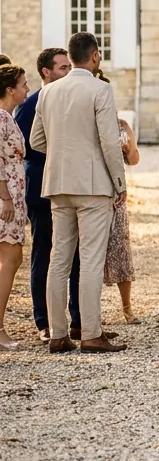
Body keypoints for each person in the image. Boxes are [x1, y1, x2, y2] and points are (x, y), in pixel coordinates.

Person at [31, 32, 128, 353]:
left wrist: (62, 154)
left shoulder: (49, 91)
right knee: (89, 259)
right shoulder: (101, 89)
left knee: (58, 258)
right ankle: (91, 333)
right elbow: (109, 141)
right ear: (95, 56)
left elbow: (36, 141)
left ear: (70, 57)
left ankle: (58, 334)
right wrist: (119, 182)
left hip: (58, 183)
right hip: (93, 185)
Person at [16, 48, 79, 342]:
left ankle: (78, 319)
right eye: (63, 67)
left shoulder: (70, 98)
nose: (68, 71)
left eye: (69, 66)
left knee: (78, 256)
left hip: (73, 185)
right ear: (46, 72)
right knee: (45, 254)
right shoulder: (30, 106)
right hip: (43, 187)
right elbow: (29, 148)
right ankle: (44, 321)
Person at [92, 70, 141, 324]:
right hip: (95, 190)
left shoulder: (122, 125)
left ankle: (127, 307)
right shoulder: (88, 124)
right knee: (92, 253)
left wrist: (128, 147)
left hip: (117, 194)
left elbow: (133, 159)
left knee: (121, 250)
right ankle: (91, 311)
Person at [0, 64, 32, 349]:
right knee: (10, 261)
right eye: (23, 84)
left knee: (11, 260)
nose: (27, 89)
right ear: (10, 90)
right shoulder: (1, 118)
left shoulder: (8, 117)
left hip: (12, 193)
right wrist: (7, 199)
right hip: (5, 196)